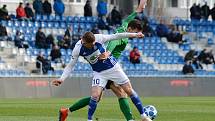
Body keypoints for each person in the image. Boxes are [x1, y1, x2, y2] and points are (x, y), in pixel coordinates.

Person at [53, 1, 149, 121]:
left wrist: (138, 10)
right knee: (121, 93)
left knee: (97, 97)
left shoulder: (124, 26)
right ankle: (131, 119)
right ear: (131, 28)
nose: (134, 34)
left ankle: (66, 111)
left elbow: (128, 19)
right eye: (134, 31)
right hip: (107, 65)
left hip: (107, 66)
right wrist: (108, 52)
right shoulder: (120, 36)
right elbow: (114, 41)